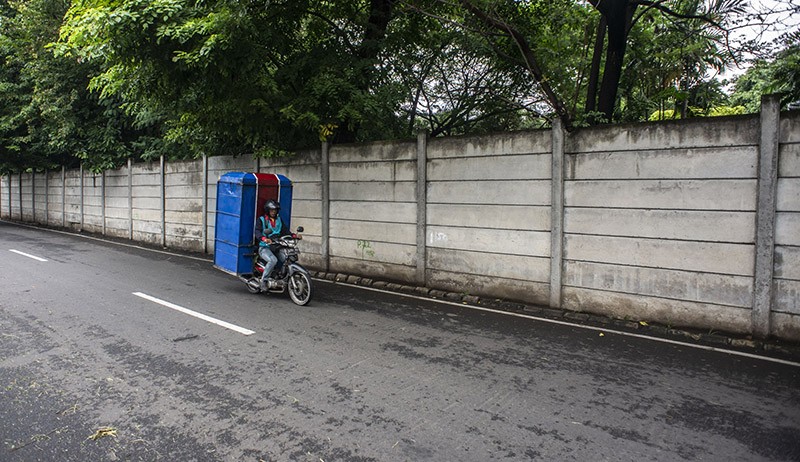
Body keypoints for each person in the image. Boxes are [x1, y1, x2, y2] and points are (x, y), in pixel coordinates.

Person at [256, 200, 300, 289]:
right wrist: (265, 239)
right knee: (273, 260)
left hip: (277, 246)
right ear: (268, 210)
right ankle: (264, 281)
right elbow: (257, 232)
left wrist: (294, 235)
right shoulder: (261, 220)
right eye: (272, 210)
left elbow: (285, 231)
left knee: (287, 258)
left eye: (275, 210)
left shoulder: (279, 219)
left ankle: (283, 278)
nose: (274, 212)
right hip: (265, 247)